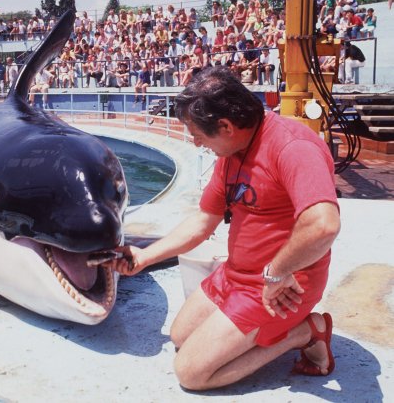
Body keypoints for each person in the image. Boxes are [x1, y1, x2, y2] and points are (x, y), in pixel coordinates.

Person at [106, 66, 340, 390]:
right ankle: (276, 327)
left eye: (199, 135)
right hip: (236, 275)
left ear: (226, 126)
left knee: (191, 373)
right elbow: (203, 222)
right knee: (180, 337)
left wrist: (277, 272)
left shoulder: (292, 147)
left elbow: (323, 225)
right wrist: (144, 257)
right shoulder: (233, 152)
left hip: (282, 286)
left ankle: (307, 331)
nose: (197, 144)